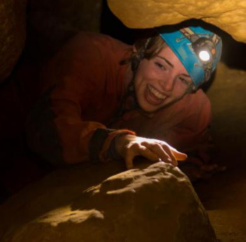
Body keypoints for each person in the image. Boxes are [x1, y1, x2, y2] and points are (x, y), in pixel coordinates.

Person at [26, 25, 223, 179]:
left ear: (192, 88)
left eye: (183, 79)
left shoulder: (193, 111)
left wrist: (188, 168)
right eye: (161, 65)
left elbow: (194, 153)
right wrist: (118, 143)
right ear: (138, 50)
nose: (167, 86)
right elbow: (46, 128)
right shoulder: (91, 54)